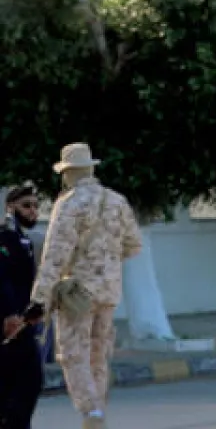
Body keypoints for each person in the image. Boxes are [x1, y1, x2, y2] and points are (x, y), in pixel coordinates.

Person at [21, 144, 142, 429]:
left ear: (68, 173)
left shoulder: (70, 203)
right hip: (110, 291)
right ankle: (98, 410)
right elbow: (134, 245)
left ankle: (91, 413)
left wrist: (39, 299)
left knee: (72, 352)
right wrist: (109, 261)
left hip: (78, 292)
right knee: (98, 354)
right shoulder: (117, 200)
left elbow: (54, 256)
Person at [1, 184, 43, 428]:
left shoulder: (23, 240)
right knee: (25, 382)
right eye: (26, 206)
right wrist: (9, 314)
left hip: (23, 323)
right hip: (9, 324)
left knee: (23, 386)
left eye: (36, 206)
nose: (33, 212)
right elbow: (3, 278)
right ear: (10, 207)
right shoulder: (4, 237)